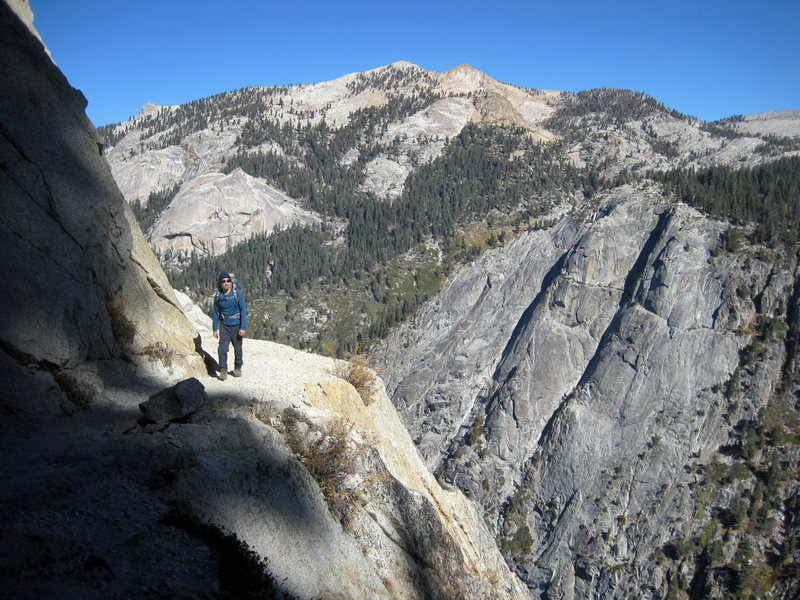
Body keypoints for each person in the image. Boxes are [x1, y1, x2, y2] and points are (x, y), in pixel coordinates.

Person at [212, 272, 246, 380]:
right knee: (222, 349)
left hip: (236, 325)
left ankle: (237, 367)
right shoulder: (218, 297)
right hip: (224, 326)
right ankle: (223, 370)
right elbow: (215, 313)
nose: (226, 283)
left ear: (231, 282)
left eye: (228, 281)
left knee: (238, 348)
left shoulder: (237, 294)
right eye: (223, 281)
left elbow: (243, 310)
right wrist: (214, 329)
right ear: (220, 284)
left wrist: (243, 327)